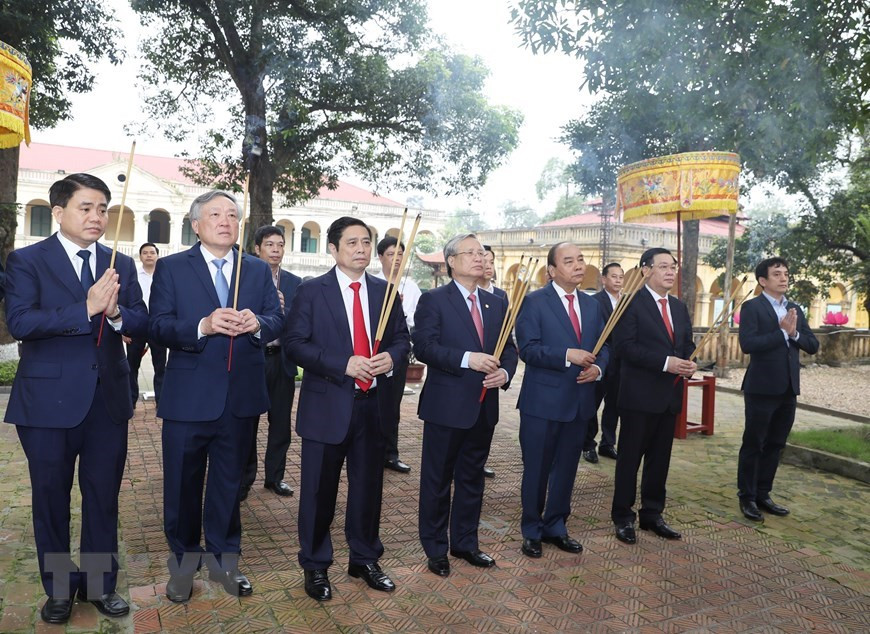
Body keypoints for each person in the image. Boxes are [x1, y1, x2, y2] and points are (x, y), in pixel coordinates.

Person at [4, 173, 148, 624]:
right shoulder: (27, 260)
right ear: (59, 211)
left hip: (108, 400)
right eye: (86, 207)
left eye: (103, 208)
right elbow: (22, 322)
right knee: (51, 497)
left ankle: (101, 586)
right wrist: (84, 308)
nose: (97, 216)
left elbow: (141, 321)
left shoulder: (118, 263)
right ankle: (60, 589)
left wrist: (119, 312)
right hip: (47, 403)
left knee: (102, 498)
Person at [149, 190, 283, 603]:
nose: (225, 221)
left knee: (228, 487)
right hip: (188, 398)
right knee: (183, 487)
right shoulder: (172, 268)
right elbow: (158, 325)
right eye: (214, 214)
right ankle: (184, 567)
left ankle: (226, 563)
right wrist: (203, 325)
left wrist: (257, 323)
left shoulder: (257, 270)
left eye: (231, 214)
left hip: (240, 398)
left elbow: (278, 320)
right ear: (196, 224)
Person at [285, 217, 410, 602]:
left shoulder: (385, 292)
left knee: (369, 490)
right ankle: (316, 565)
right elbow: (294, 343)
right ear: (333, 249)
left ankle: (365, 558)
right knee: (319, 493)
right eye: (352, 242)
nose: (361, 249)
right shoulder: (311, 291)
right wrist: (343, 363)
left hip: (373, 407)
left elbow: (403, 339)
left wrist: (390, 357)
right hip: (327, 407)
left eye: (366, 242)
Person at [413, 234, 518, 577]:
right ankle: (436, 548)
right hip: (446, 406)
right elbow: (424, 348)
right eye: (470, 253)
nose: (478, 258)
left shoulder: (496, 303)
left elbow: (509, 350)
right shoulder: (434, 300)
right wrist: (467, 359)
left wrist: (504, 372)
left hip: (484, 406)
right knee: (437, 480)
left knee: (472, 478)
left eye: (481, 252)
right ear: (451, 262)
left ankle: (465, 543)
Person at [515, 242, 608, 558]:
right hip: (542, 402)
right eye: (569, 261)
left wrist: (597, 368)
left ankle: (556, 526)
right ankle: (531, 529)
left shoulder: (593, 305)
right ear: (552, 271)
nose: (578, 265)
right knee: (537, 469)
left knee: (567, 468)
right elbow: (528, 349)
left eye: (581, 259)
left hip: (580, 400)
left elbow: (604, 346)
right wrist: (567, 355)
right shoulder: (534, 302)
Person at [610, 247, 695, 545]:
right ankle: (623, 516)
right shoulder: (630, 304)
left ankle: (652, 514)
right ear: (646, 270)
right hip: (638, 396)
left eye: (673, 266)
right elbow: (624, 348)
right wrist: (665, 363)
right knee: (630, 459)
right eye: (663, 266)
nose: (670, 271)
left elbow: (686, 344)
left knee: (660, 460)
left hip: (670, 395)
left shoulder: (679, 307)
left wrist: (687, 362)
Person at [737, 257, 818, 521]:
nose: (784, 278)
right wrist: (782, 333)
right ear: (763, 280)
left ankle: (763, 493)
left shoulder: (794, 308)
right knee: (754, 443)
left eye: (786, 273)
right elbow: (749, 344)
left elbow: (812, 344)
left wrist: (794, 334)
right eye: (777, 274)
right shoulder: (753, 308)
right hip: (761, 387)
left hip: (788, 388)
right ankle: (747, 497)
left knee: (776, 444)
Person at [241, 225, 301, 500]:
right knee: (248, 422)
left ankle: (275, 477)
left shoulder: (294, 282)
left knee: (280, 423)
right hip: (252, 359)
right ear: (257, 248)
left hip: (282, 361)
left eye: (280, 244)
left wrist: (283, 310)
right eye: (269, 245)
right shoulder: (244, 278)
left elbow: (301, 324)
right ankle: (244, 479)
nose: (276, 250)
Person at [374, 235, 422, 474]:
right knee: (371, 404)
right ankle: (369, 451)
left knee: (393, 406)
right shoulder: (372, 284)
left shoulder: (411, 287)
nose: (397, 259)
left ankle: (390, 454)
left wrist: (399, 310)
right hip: (373, 353)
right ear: (380, 257)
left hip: (398, 352)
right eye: (391, 254)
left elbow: (415, 322)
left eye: (401, 254)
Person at [583, 262, 624, 463]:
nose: (617, 280)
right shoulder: (595, 302)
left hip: (621, 363)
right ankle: (588, 444)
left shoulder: (627, 302)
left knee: (614, 406)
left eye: (620, 277)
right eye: (613, 276)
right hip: (601, 360)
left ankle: (608, 443)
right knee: (592, 404)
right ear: (604, 279)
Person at [125, 242, 167, 406]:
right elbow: (127, 302)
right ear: (140, 256)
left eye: (152, 252)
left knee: (160, 366)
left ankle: (161, 401)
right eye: (145, 253)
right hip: (137, 326)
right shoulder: (133, 276)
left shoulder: (164, 276)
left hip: (158, 326)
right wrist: (125, 329)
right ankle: (131, 400)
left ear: (157, 255)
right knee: (131, 366)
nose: (149, 255)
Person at [479, 245, 507, 479]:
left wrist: (505, 370)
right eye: (482, 259)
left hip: (490, 383)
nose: (487, 265)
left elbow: (506, 340)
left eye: (490, 261)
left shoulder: (499, 298)